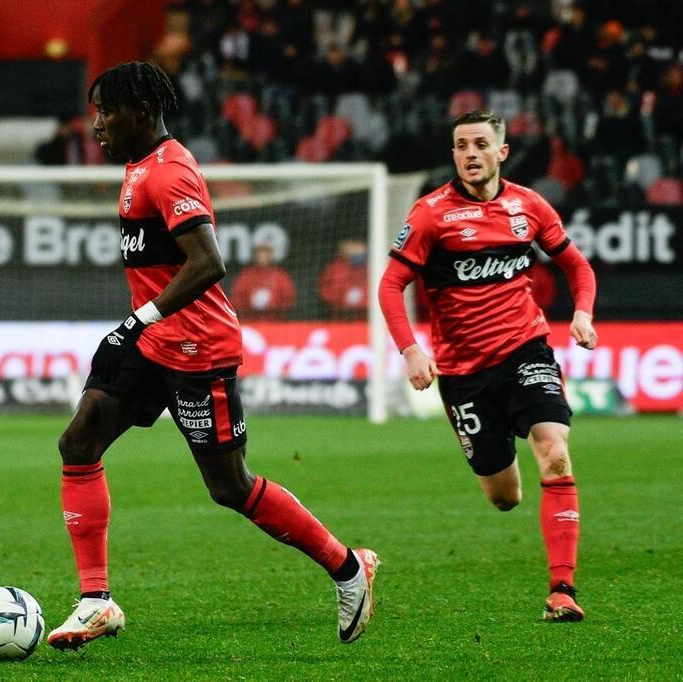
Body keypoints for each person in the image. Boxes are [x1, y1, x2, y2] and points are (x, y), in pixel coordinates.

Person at [47, 62, 379, 651]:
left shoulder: (170, 172)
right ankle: (96, 600)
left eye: (106, 111)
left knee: (230, 487)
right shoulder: (137, 166)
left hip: (197, 348)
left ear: (142, 112)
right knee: (78, 442)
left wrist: (138, 318)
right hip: (151, 343)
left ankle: (347, 567)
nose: (95, 123)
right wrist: (142, 326)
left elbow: (208, 262)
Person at [377, 110, 597, 622]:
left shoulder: (529, 206)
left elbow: (577, 266)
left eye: (479, 144)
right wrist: (411, 349)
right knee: (504, 498)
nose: (469, 153)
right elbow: (390, 285)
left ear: (501, 152)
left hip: (527, 349)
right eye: (460, 145)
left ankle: (562, 590)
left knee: (555, 453)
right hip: (463, 372)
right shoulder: (431, 214)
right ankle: (503, 454)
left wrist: (582, 314)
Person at [230, 241, 296, 320]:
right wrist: (250, 305)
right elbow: (236, 300)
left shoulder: (280, 276)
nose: (263, 256)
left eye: (266, 252)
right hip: (250, 322)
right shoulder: (246, 276)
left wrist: (273, 306)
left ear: (271, 255)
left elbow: (289, 300)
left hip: (276, 323)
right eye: (260, 252)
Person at [318, 239, 369, 319]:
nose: (356, 251)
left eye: (358, 247)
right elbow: (325, 291)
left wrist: (362, 301)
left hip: (366, 317)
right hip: (339, 316)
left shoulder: (373, 268)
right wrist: (342, 299)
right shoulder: (334, 269)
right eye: (353, 247)